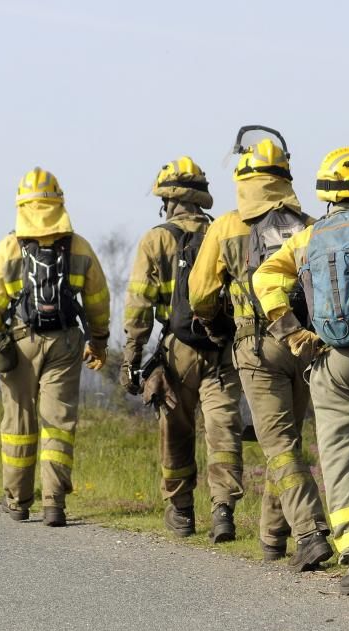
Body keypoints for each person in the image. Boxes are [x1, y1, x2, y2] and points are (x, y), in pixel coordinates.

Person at [253, 145, 349, 594]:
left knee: (341, 461)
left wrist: (294, 334)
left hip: (329, 361)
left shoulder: (304, 239)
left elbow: (264, 279)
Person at [188, 136, 332, 570]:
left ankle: (309, 532)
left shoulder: (227, 226)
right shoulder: (309, 224)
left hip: (256, 347)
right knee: (284, 441)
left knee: (280, 445)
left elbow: (200, 294)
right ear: (286, 176)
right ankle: (272, 538)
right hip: (303, 346)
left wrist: (218, 326)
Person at [0, 167, 110, 527]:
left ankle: (17, 502)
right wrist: (99, 339)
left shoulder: (9, 246)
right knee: (59, 422)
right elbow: (97, 297)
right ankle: (54, 504)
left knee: (18, 420)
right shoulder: (78, 246)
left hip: (18, 342)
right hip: (65, 342)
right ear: (58, 201)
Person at [121, 157, 244, 540]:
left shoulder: (156, 238)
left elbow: (139, 304)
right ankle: (223, 510)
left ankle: (181, 511)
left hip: (176, 350)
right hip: (223, 347)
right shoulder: (223, 232)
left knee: (175, 429)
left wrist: (132, 359)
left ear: (166, 198)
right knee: (223, 431)